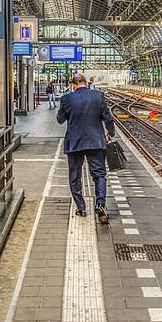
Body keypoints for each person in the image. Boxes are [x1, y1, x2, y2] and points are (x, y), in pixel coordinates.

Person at [56, 73, 116, 223]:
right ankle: (100, 205)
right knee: (99, 175)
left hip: (74, 143)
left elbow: (60, 119)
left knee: (74, 176)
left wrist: (64, 105)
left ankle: (81, 208)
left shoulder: (67, 98)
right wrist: (110, 133)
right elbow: (108, 118)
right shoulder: (98, 96)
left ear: (73, 85)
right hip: (95, 141)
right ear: (86, 83)